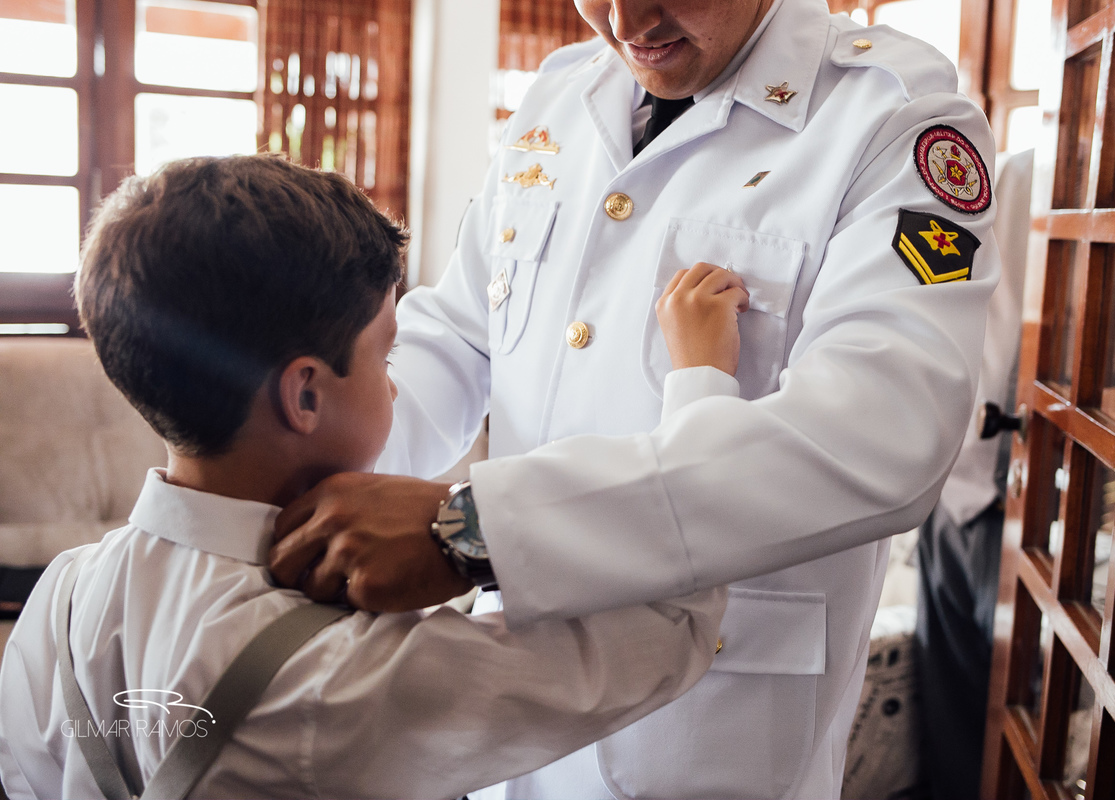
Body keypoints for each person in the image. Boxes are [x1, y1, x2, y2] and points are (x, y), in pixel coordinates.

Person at [269, 0, 1003, 797]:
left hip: (707, 734)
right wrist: (280, 482)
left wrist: (478, 533)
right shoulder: (560, 95)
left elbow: (878, 436)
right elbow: (459, 333)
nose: (625, 20)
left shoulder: (889, 114)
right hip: (508, 737)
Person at [0, 155, 735, 800]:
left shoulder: (63, 595)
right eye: (387, 358)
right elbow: (668, 632)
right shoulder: (336, 677)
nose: (395, 382)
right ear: (306, 395)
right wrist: (701, 379)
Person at [914, 148, 1033, 800]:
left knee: (1007, 707)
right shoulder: (1015, 172)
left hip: (1021, 487)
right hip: (958, 471)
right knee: (960, 699)